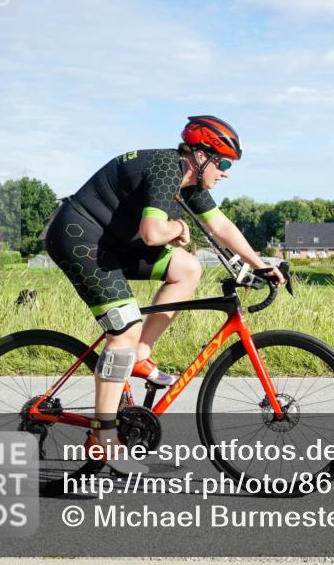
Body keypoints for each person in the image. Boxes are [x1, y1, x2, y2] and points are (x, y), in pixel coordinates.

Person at [44, 115, 283, 472]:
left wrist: (260, 264)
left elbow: (221, 226)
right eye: (223, 163)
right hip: (80, 239)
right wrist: (180, 226)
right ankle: (101, 437)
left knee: (187, 268)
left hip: (112, 243)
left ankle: (140, 355)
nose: (226, 172)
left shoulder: (191, 183)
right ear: (200, 156)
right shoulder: (168, 168)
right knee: (123, 329)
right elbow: (154, 234)